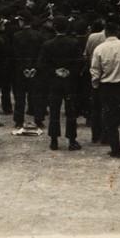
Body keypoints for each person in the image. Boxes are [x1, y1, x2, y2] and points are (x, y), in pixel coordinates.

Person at [91, 21, 120, 158]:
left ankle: (116, 149)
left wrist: (96, 86)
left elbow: (95, 70)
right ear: (117, 32)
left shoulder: (99, 49)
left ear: (105, 33)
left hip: (107, 87)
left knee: (110, 120)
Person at [38, 16, 82, 151]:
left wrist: (55, 71)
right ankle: (72, 140)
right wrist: (69, 71)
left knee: (54, 111)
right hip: (69, 81)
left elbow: (42, 64)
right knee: (70, 111)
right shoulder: (74, 43)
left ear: (54, 27)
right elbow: (79, 62)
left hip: (54, 82)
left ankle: (54, 140)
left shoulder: (47, 44)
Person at [11, 11, 45, 131]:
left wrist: (24, 68)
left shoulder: (16, 36)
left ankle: (19, 120)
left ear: (22, 21)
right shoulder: (39, 35)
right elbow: (41, 53)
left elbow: (16, 54)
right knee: (37, 96)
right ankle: (39, 119)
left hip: (21, 71)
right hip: (36, 70)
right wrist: (35, 67)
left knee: (20, 97)